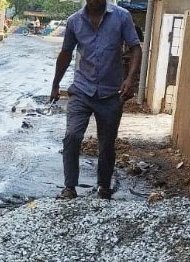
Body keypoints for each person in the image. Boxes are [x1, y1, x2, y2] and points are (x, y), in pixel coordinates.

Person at [49, 0, 142, 200]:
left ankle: (104, 187)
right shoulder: (74, 21)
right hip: (81, 91)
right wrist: (56, 84)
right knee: (72, 136)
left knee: (107, 144)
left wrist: (130, 79)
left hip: (111, 94)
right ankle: (70, 187)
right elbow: (66, 53)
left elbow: (136, 48)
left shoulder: (122, 16)